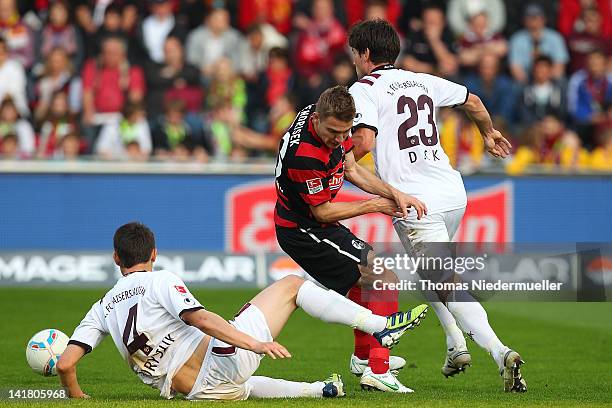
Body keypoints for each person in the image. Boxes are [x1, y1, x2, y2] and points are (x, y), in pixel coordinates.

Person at [347, 19, 527, 392]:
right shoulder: (422, 79)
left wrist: (338, 158)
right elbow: (473, 101)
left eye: (354, 54)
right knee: (430, 274)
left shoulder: (363, 88)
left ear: (364, 55)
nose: (353, 61)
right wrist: (488, 132)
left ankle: (500, 351)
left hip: (415, 201)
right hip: (451, 192)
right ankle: (455, 343)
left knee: (442, 279)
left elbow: (363, 142)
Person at [57, 222, 428, 400]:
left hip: (193, 391)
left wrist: (76, 397)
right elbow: (201, 318)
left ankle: (318, 390)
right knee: (292, 286)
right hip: (219, 360)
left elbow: (65, 364)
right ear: (153, 254)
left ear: (115, 258)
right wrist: (253, 343)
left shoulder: (102, 306)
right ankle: (378, 326)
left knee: (242, 387)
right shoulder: (160, 280)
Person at [274, 85, 428, 393]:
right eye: (334, 132)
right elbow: (322, 212)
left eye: (346, 133)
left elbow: (352, 169)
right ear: (316, 119)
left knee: (365, 285)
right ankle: (378, 369)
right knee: (384, 279)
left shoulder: (325, 120)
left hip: (311, 225)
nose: (341, 140)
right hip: (304, 231)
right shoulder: (305, 156)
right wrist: (374, 205)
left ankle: (363, 358)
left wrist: (394, 193)